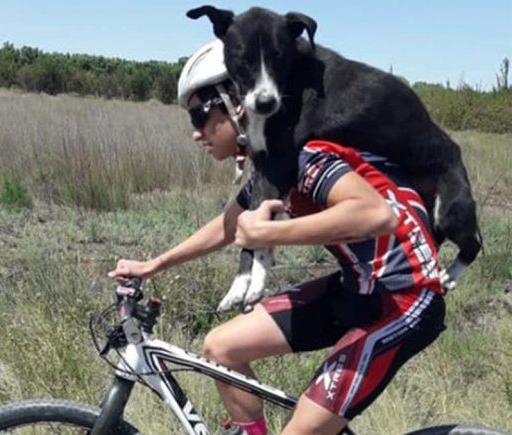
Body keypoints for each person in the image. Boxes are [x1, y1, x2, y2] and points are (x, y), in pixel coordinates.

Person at [108, 40, 447, 435]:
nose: (196, 134)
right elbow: (229, 224)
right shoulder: (274, 162)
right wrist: (155, 264)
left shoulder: (308, 156)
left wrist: (272, 232)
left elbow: (374, 214)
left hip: (404, 299)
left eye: (199, 117)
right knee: (222, 348)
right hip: (358, 288)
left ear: (238, 105)